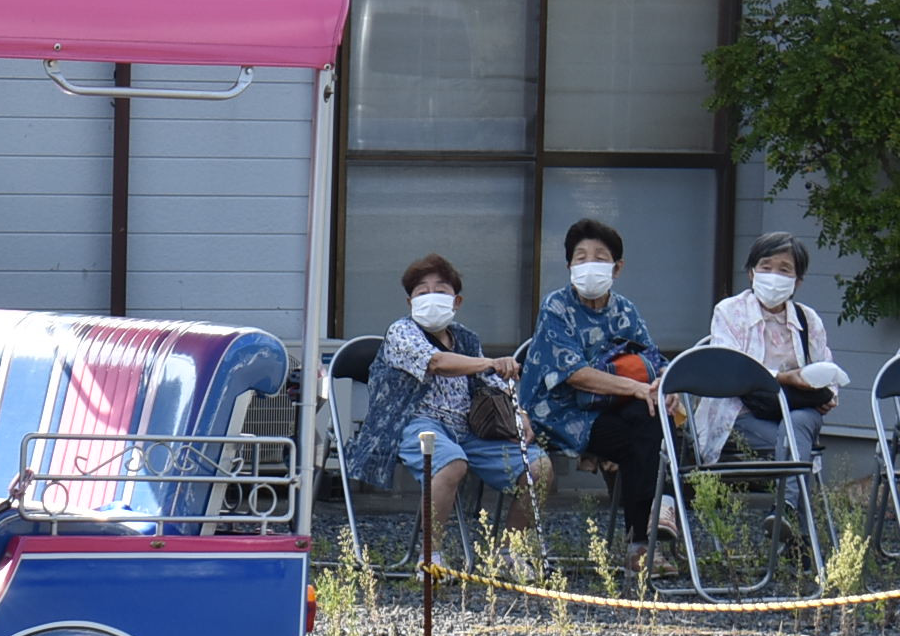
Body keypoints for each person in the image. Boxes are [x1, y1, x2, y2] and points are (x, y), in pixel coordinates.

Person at [347, 253, 547, 540]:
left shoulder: (466, 338)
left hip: (468, 428)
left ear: (457, 302)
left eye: (440, 291)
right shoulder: (401, 331)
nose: (431, 297)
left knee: (539, 468)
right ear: (409, 302)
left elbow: (492, 382)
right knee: (451, 462)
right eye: (422, 292)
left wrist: (521, 415)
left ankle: (511, 553)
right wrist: (490, 362)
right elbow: (436, 363)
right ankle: (431, 558)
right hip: (414, 424)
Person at [518, 217, 672, 567]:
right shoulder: (556, 306)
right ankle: (645, 538)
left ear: (617, 269)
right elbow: (575, 375)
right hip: (557, 413)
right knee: (643, 436)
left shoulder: (625, 309)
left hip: (609, 410)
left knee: (649, 419)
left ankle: (644, 536)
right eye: (580, 257)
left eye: (599, 258)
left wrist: (664, 385)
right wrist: (637, 387)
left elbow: (653, 357)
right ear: (570, 265)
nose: (589, 265)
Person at [693, 231, 847, 468]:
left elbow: (827, 368)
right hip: (740, 414)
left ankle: (787, 504)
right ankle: (791, 505)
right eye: (766, 267)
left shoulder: (808, 319)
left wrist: (829, 395)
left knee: (797, 426)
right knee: (794, 441)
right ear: (751, 273)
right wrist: (785, 378)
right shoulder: (730, 311)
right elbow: (728, 370)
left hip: (796, 410)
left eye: (784, 269)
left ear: (797, 281)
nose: (774, 276)